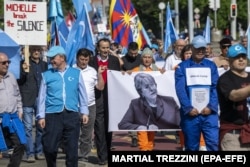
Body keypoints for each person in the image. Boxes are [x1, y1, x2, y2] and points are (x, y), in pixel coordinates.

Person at [36, 46, 89, 167]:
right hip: (52, 115)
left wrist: (84, 112)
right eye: (50, 58)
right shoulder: (47, 75)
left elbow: (82, 94)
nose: (51, 61)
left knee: (72, 150)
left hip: (71, 115)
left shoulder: (76, 73)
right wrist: (41, 116)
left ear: (62, 58)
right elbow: (42, 97)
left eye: (53, 58)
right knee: (49, 147)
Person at [120, 48, 174, 151]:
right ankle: (144, 149)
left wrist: (165, 73)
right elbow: (127, 78)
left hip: (154, 106)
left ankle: (149, 147)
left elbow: (165, 82)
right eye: (145, 57)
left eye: (149, 57)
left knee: (152, 129)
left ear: (152, 58)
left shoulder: (157, 70)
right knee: (142, 128)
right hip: (141, 106)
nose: (147, 59)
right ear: (141, 58)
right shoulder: (136, 70)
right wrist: (125, 74)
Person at [175, 35, 219, 151]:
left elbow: (215, 88)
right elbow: (180, 90)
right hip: (190, 114)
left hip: (209, 114)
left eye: (203, 48)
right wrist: (188, 108)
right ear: (192, 48)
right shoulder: (182, 67)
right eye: (198, 48)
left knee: (213, 144)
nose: (201, 51)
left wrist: (211, 107)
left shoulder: (211, 66)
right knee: (191, 146)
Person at [118, 72, 180, 151]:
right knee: (143, 132)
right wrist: (139, 127)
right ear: (140, 92)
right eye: (147, 87)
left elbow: (179, 122)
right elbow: (122, 124)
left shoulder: (169, 101)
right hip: (144, 142)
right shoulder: (135, 104)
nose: (151, 89)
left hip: (153, 140)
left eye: (152, 84)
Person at [89, 38, 121, 165]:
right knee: (99, 125)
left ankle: (108, 152)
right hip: (97, 95)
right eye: (103, 48)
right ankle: (102, 156)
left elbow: (118, 77)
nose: (105, 50)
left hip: (111, 96)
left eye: (107, 47)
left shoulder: (114, 60)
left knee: (109, 124)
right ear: (98, 48)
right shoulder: (92, 61)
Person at [217, 44, 250, 150]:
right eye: (236, 57)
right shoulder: (225, 79)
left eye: (243, 56)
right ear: (229, 60)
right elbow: (234, 96)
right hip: (233, 134)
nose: (241, 59)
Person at [74, 48, 105, 162]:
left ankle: (83, 155)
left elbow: (100, 87)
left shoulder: (92, 71)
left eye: (86, 60)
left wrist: (100, 74)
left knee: (87, 133)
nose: (83, 62)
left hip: (90, 105)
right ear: (77, 58)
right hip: (74, 106)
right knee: (74, 132)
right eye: (81, 59)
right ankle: (72, 153)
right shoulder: (71, 69)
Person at [17, 46, 48, 162]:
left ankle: (39, 151)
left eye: (38, 50)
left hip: (41, 100)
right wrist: (24, 71)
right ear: (30, 51)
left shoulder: (44, 65)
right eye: (34, 50)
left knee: (41, 127)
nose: (36, 52)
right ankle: (29, 152)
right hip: (27, 99)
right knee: (28, 128)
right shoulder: (23, 63)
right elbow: (19, 81)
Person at [177, 44, 207, 151]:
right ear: (183, 55)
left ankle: (202, 144)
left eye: (190, 53)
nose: (189, 55)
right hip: (186, 106)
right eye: (187, 53)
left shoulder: (204, 66)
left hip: (201, 104)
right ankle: (185, 145)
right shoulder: (179, 67)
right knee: (187, 129)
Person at [0, 52, 26, 167]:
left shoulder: (11, 77)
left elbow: (17, 95)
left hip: (12, 118)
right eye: (3, 63)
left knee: (20, 144)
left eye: (8, 62)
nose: (7, 65)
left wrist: (20, 110)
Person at [120, 41, 141, 147]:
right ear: (128, 51)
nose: (133, 55)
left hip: (141, 91)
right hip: (128, 90)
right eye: (131, 53)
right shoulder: (123, 60)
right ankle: (134, 136)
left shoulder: (142, 58)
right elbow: (118, 73)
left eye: (135, 53)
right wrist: (122, 72)